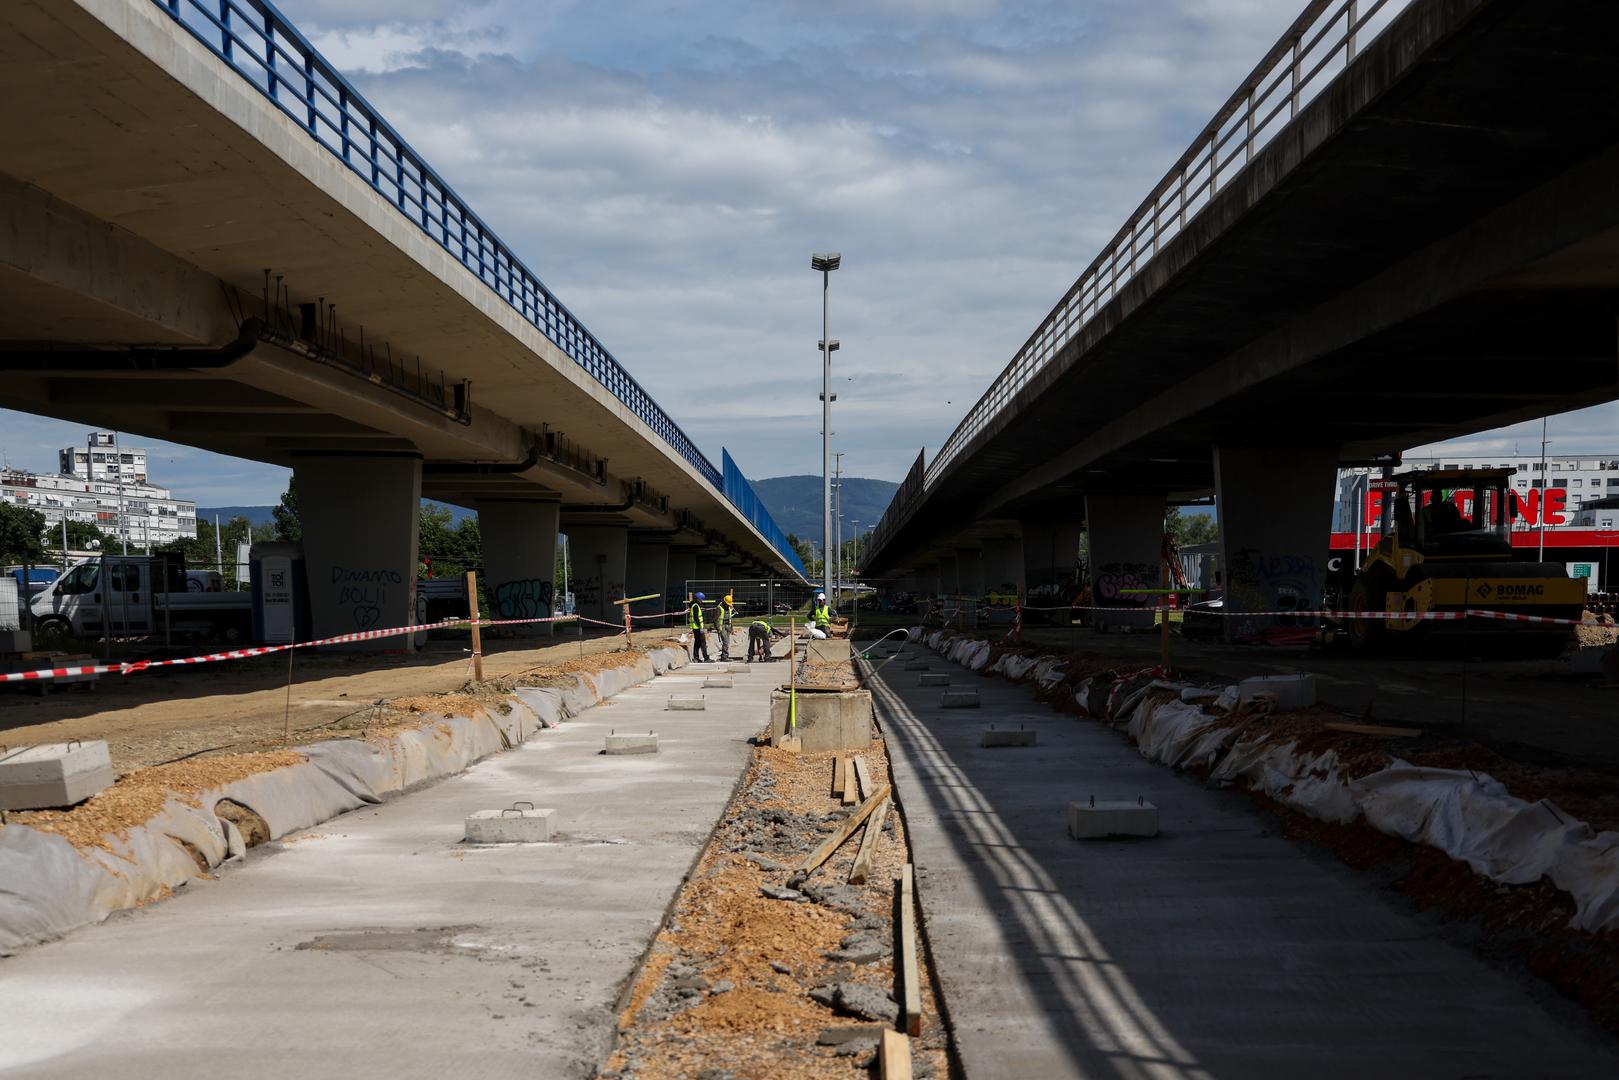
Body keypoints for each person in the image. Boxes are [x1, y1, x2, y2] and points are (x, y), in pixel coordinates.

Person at [687, 592, 710, 662]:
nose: (701, 601)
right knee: (702, 642)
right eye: (701, 600)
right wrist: (700, 627)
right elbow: (696, 617)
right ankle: (705, 658)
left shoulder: (694, 605)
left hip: (696, 627)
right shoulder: (696, 606)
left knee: (698, 643)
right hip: (697, 628)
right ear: (698, 599)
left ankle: (696, 657)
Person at [717, 592, 736, 661]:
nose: (728, 605)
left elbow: (730, 619)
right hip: (722, 627)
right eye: (727, 604)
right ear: (724, 602)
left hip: (728, 626)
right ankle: (724, 657)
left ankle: (725, 656)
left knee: (727, 642)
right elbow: (715, 619)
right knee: (725, 641)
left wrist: (732, 628)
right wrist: (718, 628)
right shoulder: (719, 608)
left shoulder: (729, 608)